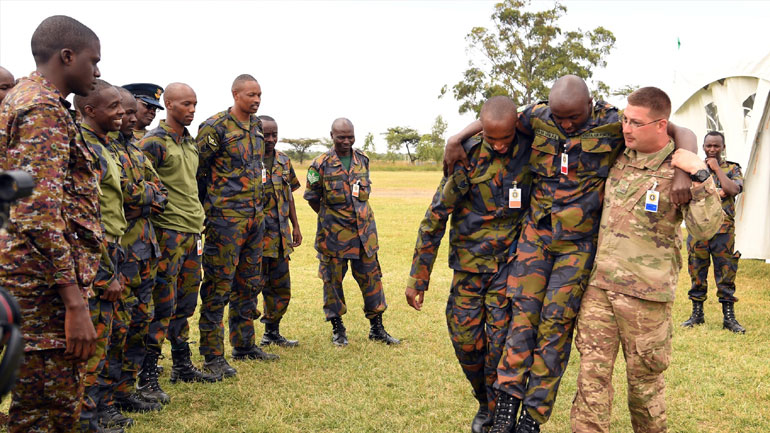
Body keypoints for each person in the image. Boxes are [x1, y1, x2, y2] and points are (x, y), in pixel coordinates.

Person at [445, 75, 698, 433]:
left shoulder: (613, 121)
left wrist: (686, 168)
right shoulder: (538, 116)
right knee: (521, 320)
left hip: (578, 246)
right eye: (559, 118)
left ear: (590, 104)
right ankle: (505, 408)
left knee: (555, 326)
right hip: (537, 235)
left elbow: (678, 131)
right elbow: (497, 118)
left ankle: (532, 416)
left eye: (574, 118)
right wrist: (457, 137)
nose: (565, 125)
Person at [570, 87, 724, 433]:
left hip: (647, 297)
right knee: (591, 382)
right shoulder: (619, 155)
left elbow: (706, 229)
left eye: (635, 123)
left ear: (660, 126)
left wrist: (698, 175)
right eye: (625, 119)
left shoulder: (680, 168)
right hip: (600, 290)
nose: (626, 127)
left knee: (644, 388)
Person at [406, 96, 532, 433]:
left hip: (511, 267)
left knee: (499, 345)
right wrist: (419, 277)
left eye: (505, 138)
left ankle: (495, 412)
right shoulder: (467, 155)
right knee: (465, 340)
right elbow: (435, 218)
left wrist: (456, 135)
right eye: (493, 139)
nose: (500, 145)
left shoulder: (533, 148)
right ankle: (483, 398)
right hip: (469, 268)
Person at [0, 15, 101, 433]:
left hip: (31, 281)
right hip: (43, 291)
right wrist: (74, 302)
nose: (97, 72)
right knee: (47, 413)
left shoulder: (23, 98)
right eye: (93, 61)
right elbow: (38, 213)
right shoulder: (41, 107)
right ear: (66, 56)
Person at [196, 74, 277, 381]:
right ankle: (213, 355)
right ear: (235, 94)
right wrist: (208, 210)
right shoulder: (215, 127)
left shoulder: (257, 127)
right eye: (250, 95)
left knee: (249, 283)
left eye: (259, 95)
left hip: (255, 220)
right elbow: (198, 172)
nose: (256, 100)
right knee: (218, 287)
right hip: (224, 221)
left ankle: (243, 345)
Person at [139, 82, 216, 404]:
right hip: (167, 234)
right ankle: (148, 375)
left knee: (185, 301)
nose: (192, 109)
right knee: (162, 303)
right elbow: (141, 187)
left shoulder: (191, 143)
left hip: (191, 233)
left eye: (195, 104)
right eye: (186, 104)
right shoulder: (153, 143)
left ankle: (182, 364)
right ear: (168, 104)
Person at [304, 118, 399, 346]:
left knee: (372, 280)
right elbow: (312, 198)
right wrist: (332, 220)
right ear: (332, 136)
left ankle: (377, 328)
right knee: (332, 283)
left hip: (364, 236)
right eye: (341, 137)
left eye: (350, 136)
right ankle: (338, 329)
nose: (346, 141)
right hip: (334, 238)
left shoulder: (362, 160)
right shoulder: (319, 165)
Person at [74, 79, 130, 432]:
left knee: (110, 334)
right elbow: (85, 215)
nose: (122, 113)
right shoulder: (86, 148)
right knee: (92, 341)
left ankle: (96, 412)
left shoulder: (106, 145)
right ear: (89, 111)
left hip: (111, 248)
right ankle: (85, 420)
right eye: (113, 108)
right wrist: (106, 272)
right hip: (95, 255)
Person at [108, 87, 166, 414]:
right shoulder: (104, 149)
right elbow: (117, 194)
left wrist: (141, 201)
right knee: (117, 327)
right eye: (126, 112)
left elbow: (161, 193)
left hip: (145, 248)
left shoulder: (134, 148)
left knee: (139, 323)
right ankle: (106, 399)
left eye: (133, 113)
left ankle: (125, 390)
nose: (131, 118)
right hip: (120, 252)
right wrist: (143, 198)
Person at [683, 131, 746, 333]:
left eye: (716, 146)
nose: (712, 149)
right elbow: (687, 193)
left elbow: (734, 189)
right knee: (696, 271)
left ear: (723, 147)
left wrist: (717, 169)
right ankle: (697, 314)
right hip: (699, 230)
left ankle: (729, 318)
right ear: (703, 147)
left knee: (726, 272)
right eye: (709, 146)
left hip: (723, 231)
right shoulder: (693, 168)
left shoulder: (732, 168)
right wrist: (717, 191)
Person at [256, 115, 302, 347]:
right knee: (251, 287)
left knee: (281, 287)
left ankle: (271, 332)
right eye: (266, 134)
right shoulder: (249, 161)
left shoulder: (284, 160)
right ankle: (244, 342)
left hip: (281, 237)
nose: (271, 139)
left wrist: (296, 226)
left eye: (275, 134)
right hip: (255, 239)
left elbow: (290, 195)